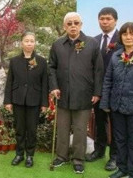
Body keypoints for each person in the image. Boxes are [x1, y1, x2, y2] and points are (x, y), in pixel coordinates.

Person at [49, 12, 104, 174]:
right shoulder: (57, 44)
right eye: (69, 23)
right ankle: (61, 156)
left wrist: (97, 92)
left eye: (76, 23)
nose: (73, 26)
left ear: (81, 25)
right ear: (65, 26)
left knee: (80, 129)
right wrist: (54, 87)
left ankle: (78, 159)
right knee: (62, 128)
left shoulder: (92, 43)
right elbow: (51, 67)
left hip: (84, 94)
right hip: (62, 94)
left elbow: (98, 71)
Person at [100, 22, 133, 178]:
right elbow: (108, 80)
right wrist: (105, 102)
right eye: (125, 34)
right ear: (121, 37)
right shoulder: (116, 56)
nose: (128, 37)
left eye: (132, 34)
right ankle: (122, 168)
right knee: (120, 140)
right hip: (117, 106)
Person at [4, 32, 48, 168]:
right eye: (26, 41)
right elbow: (9, 82)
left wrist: (44, 103)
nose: (29, 43)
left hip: (34, 101)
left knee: (32, 130)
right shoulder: (14, 61)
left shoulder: (41, 61)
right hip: (18, 100)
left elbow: (45, 83)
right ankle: (19, 154)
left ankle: (30, 155)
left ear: (35, 43)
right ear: (21, 43)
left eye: (32, 41)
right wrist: (8, 101)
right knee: (19, 129)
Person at [86, 7, 120, 171]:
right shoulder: (94, 40)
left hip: (116, 90)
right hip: (98, 91)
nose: (105, 21)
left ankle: (114, 157)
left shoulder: (123, 39)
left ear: (115, 20)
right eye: (102, 19)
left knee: (115, 124)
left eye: (108, 19)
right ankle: (99, 151)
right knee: (99, 122)